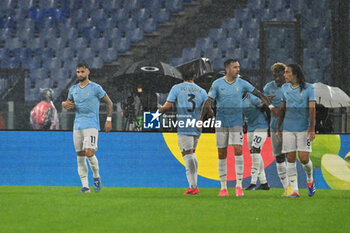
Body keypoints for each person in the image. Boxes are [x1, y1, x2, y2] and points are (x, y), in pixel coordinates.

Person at [200, 58, 278, 197]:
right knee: (222, 153)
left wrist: (271, 106)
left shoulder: (242, 83)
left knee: (238, 150)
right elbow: (209, 100)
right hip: (221, 123)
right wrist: (201, 119)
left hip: (237, 123)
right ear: (228, 69)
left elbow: (259, 94)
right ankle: (223, 188)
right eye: (235, 67)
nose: (238, 69)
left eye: (238, 67)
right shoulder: (217, 84)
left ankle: (238, 186)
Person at [62, 62, 113, 193]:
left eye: (82, 72)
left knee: (89, 153)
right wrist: (64, 104)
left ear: (88, 72)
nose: (80, 74)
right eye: (78, 72)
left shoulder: (96, 88)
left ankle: (96, 176)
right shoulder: (73, 89)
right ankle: (85, 187)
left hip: (91, 124)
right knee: (80, 156)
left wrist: (108, 120)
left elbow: (109, 103)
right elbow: (68, 103)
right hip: (77, 125)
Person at [159, 66, 207, 195]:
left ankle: (193, 186)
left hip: (184, 124)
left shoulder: (177, 88)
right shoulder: (202, 91)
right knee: (192, 153)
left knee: (187, 155)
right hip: (197, 126)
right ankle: (194, 185)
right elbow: (207, 108)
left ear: (182, 76)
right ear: (194, 76)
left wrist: (158, 112)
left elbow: (167, 106)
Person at [276, 63, 316, 198]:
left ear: (295, 74)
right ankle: (295, 190)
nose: (284, 75)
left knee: (304, 159)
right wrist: (278, 128)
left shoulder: (309, 88)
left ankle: (310, 180)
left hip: (303, 128)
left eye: (287, 72)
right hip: (288, 128)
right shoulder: (284, 88)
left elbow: (312, 109)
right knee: (290, 158)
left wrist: (312, 128)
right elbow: (283, 108)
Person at [264, 62, 292, 196]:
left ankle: (294, 186)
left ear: (285, 74)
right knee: (279, 158)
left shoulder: (291, 87)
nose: (277, 78)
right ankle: (287, 188)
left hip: (290, 127)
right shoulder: (268, 88)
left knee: (291, 157)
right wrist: (267, 104)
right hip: (275, 128)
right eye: (275, 76)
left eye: (280, 75)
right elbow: (263, 103)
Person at [241, 77, 270, 191]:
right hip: (250, 128)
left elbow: (265, 107)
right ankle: (264, 183)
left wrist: (269, 123)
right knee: (254, 154)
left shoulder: (252, 98)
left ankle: (253, 182)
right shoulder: (237, 99)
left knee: (255, 150)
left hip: (261, 126)